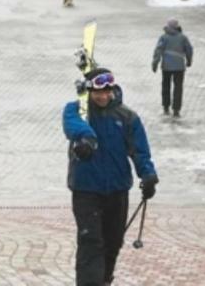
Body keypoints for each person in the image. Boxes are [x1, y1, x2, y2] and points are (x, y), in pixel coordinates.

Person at [62, 68, 157, 286]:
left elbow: (140, 150)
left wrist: (148, 174)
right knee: (90, 241)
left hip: (117, 189)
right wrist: (86, 138)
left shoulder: (127, 117)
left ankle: (104, 280)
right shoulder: (77, 111)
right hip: (86, 190)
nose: (103, 96)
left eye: (107, 91)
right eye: (97, 92)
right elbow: (71, 125)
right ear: (89, 91)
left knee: (113, 242)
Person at [151, 18, 193, 117]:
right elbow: (189, 49)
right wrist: (189, 61)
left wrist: (155, 63)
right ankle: (176, 109)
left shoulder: (163, 37)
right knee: (178, 88)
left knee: (166, 86)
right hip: (179, 67)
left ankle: (166, 107)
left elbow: (158, 51)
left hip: (167, 67)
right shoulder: (183, 38)